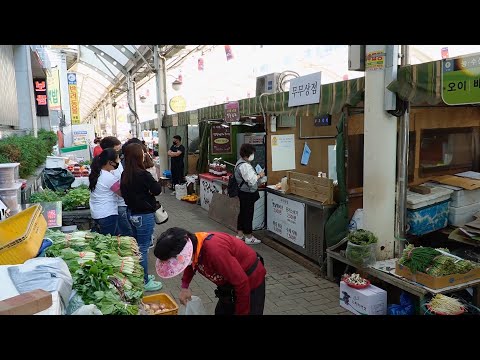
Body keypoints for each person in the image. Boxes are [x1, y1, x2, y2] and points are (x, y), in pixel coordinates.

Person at [154, 227, 266, 315]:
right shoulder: (192, 249)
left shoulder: (215, 252)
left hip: (249, 281)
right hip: (229, 284)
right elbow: (189, 264)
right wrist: (185, 287)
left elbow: (242, 283)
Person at [121, 143, 163, 292]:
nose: (145, 155)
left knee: (137, 247)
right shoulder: (143, 174)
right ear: (139, 156)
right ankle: (144, 281)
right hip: (144, 215)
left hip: (131, 213)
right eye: (142, 153)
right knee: (143, 248)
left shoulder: (125, 173)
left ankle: (141, 276)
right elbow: (157, 190)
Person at [100, 136, 132, 237]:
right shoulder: (108, 169)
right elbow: (118, 189)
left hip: (121, 203)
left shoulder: (115, 162)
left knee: (124, 231)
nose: (119, 151)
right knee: (125, 232)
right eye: (116, 149)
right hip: (118, 204)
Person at [235, 143, 264, 245]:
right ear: (248, 154)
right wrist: (260, 175)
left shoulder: (239, 162)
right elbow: (251, 181)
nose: (253, 155)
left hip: (242, 192)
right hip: (247, 193)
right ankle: (249, 236)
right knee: (248, 214)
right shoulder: (245, 166)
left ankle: (240, 234)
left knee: (243, 213)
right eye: (252, 153)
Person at [89, 148, 122, 236]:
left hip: (97, 212)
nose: (118, 161)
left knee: (113, 236)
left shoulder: (96, 173)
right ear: (110, 162)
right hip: (107, 213)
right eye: (117, 159)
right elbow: (121, 193)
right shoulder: (109, 177)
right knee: (109, 241)